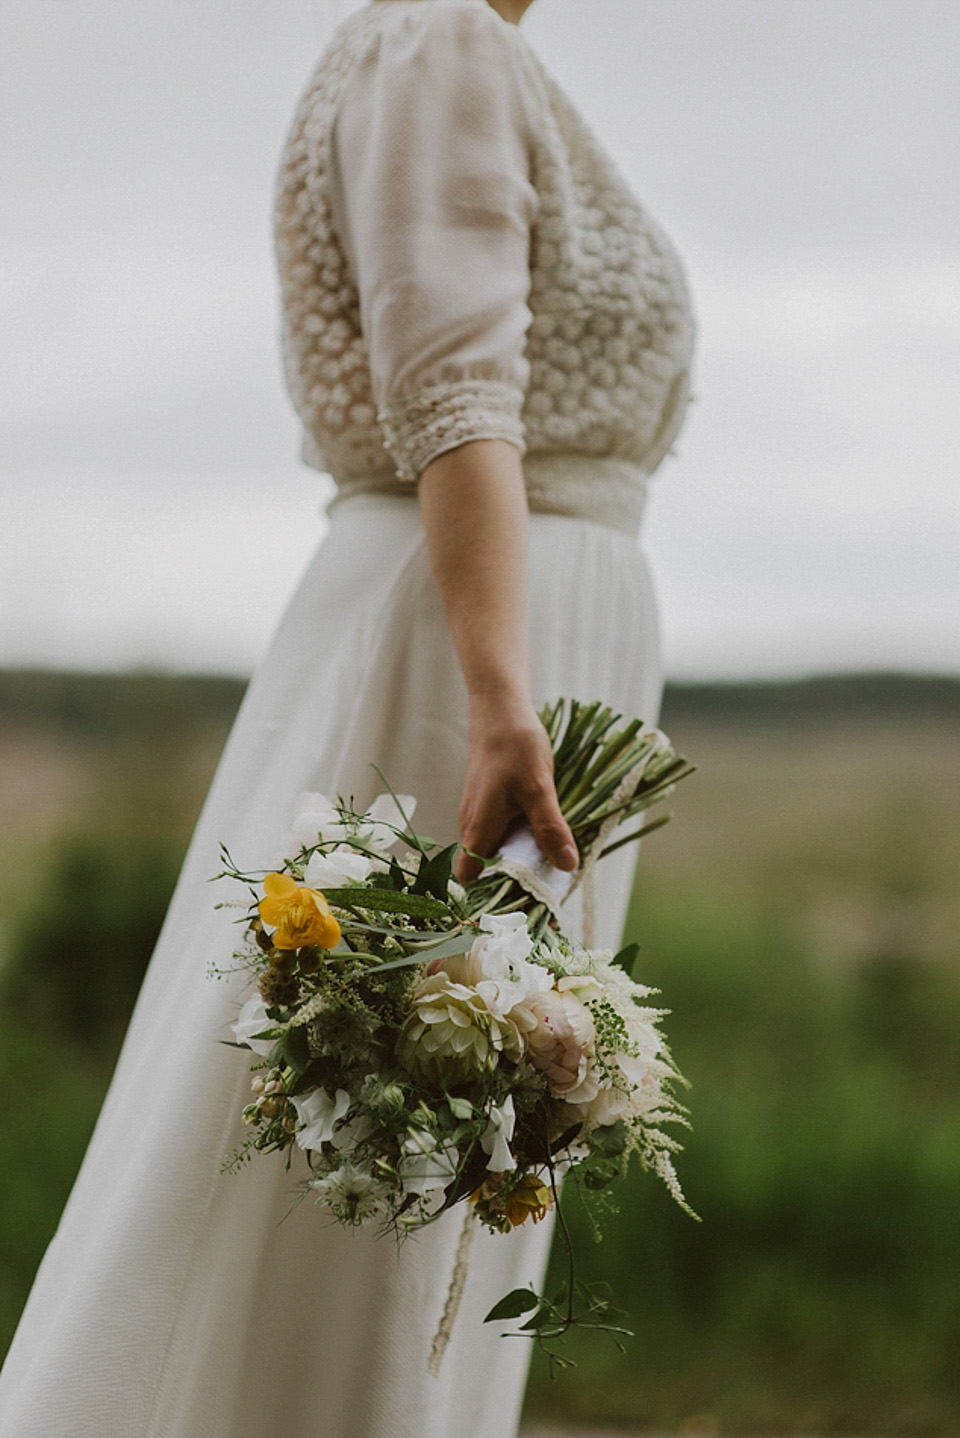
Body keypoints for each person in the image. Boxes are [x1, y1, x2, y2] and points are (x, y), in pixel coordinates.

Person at [0, 0, 694, 1433]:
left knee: (478, 1128)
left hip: (529, 641)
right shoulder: (437, 38)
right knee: (378, 1121)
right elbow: (453, 396)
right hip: (465, 653)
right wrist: (500, 698)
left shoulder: (473, 52)